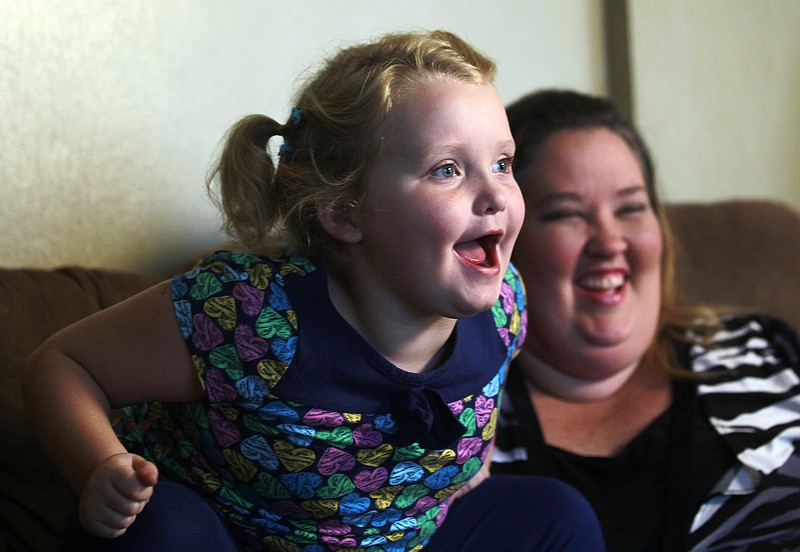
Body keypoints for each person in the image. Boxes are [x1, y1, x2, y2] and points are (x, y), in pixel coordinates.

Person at [23, 33, 606, 551]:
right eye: (447, 169)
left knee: (556, 514)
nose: (496, 194)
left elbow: (478, 413)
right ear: (343, 212)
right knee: (162, 524)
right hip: (231, 532)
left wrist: (466, 470)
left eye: (502, 163)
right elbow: (61, 364)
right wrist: (98, 468)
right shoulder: (251, 315)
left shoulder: (504, 304)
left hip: (396, 538)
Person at [491, 88, 800, 551]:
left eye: (631, 208)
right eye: (567, 215)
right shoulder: (462, 428)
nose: (610, 241)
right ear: (506, 242)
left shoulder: (767, 349)